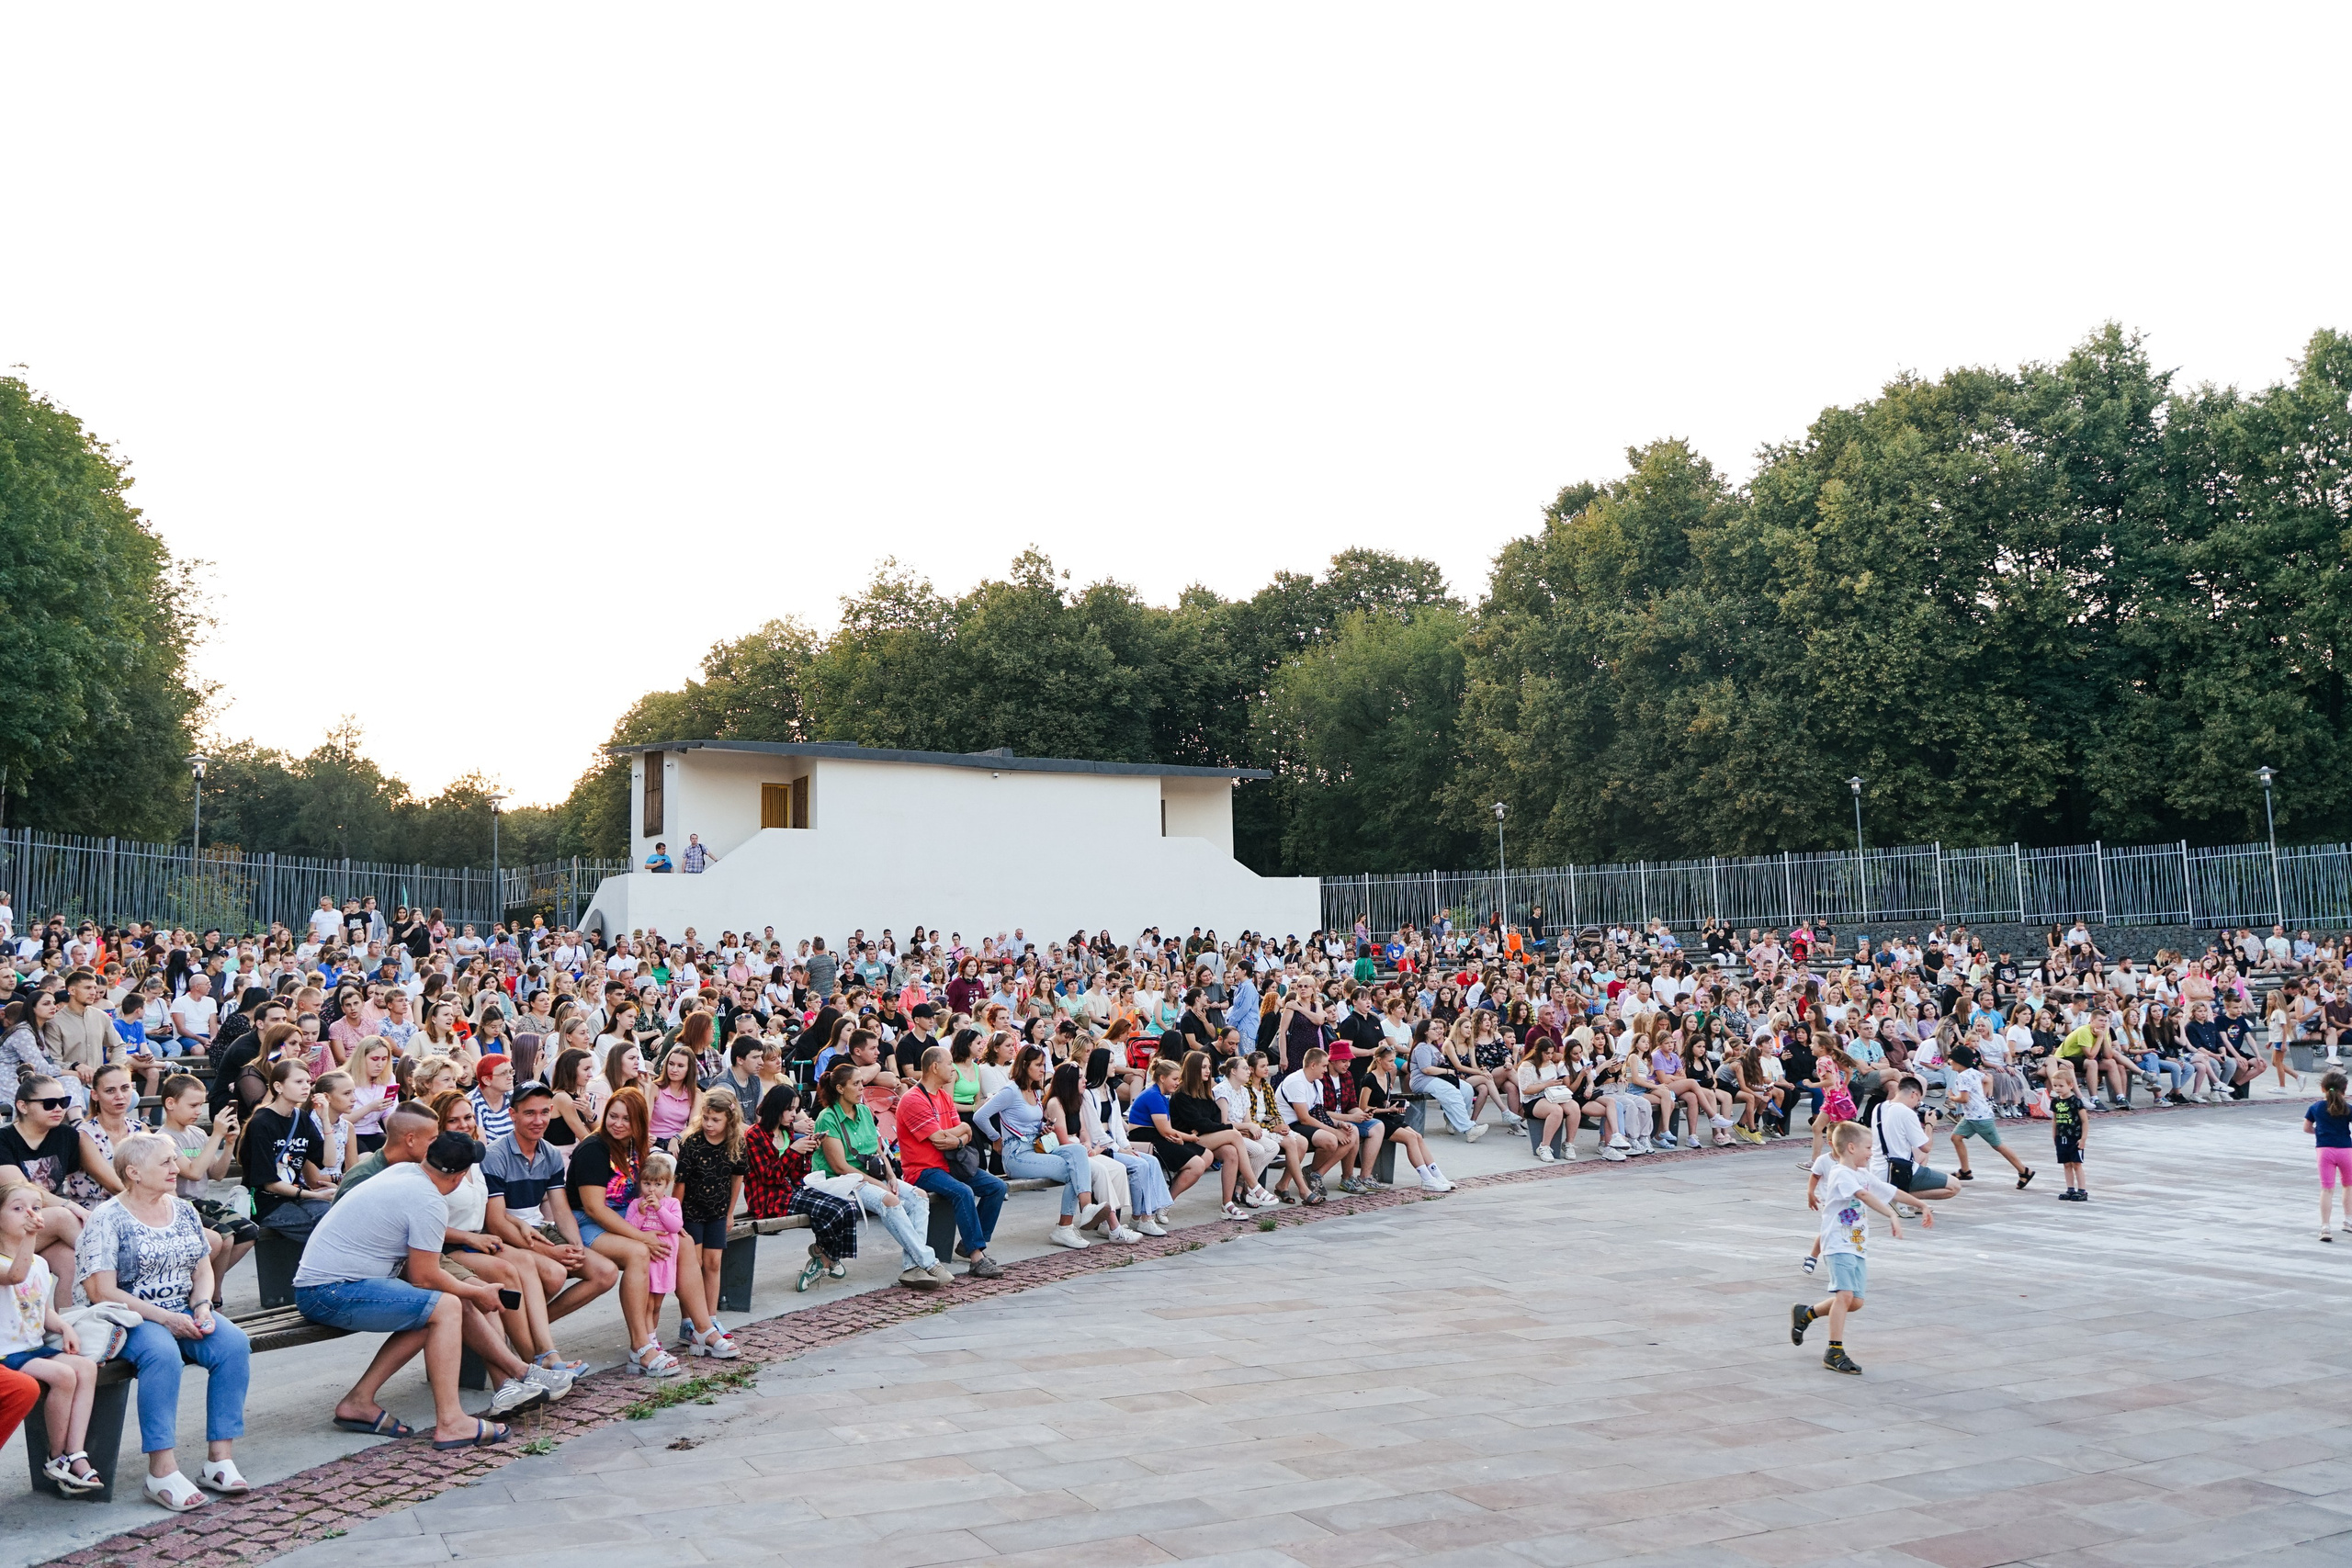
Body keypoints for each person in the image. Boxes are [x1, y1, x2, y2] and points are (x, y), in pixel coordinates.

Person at [296, 1130, 559, 1447]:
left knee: (442, 1306)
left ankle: (359, 1401)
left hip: (327, 1287)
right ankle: (452, 1422)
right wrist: (478, 1292)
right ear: (459, 1177)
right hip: (331, 1292)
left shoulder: (406, 1172)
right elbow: (425, 1277)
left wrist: (469, 1292)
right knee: (446, 1306)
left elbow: (424, 1277)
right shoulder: (428, 1200)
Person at [74, 1132, 255, 1509]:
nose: (177, 1168)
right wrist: (166, 1319)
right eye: (166, 1162)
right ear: (134, 1172)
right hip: (127, 1316)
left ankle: (219, 1460)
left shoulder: (183, 1210)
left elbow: (202, 1269)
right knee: (162, 1354)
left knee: (233, 1344)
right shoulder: (108, 1218)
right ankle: (161, 1470)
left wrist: (202, 1306)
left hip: (182, 1309)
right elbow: (101, 1291)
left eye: (174, 1160)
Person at [479, 1084, 618, 1362]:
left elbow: (561, 1209)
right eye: (529, 1113)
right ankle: (533, 1345)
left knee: (606, 1272)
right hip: (506, 1234)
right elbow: (496, 1222)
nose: (539, 1120)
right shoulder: (495, 1155)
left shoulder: (551, 1153)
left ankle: (526, 1329)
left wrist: (576, 1246)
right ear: (512, 1114)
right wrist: (551, 1252)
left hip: (539, 1228)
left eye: (544, 1112)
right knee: (554, 1273)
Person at [0, 1176, 105, 1495]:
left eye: (36, 1207)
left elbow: (41, 1308)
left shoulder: (39, 1263)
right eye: (18, 1209)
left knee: (85, 1367)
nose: (30, 1214)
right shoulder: (8, 1261)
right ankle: (56, 1457)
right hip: (6, 1351)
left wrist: (64, 1327)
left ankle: (75, 1452)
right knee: (63, 1376)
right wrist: (32, 1237)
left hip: (32, 1346)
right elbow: (14, 1276)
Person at [809, 1066, 946, 1290]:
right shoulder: (827, 1117)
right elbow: (840, 1167)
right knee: (890, 1200)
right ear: (840, 1089)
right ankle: (929, 1262)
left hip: (870, 1174)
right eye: (856, 1084)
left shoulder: (864, 1111)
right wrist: (880, 1186)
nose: (862, 1088)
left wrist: (890, 1175)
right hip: (843, 1181)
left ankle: (912, 1267)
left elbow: (878, 1149)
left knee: (919, 1197)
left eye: (862, 1083)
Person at [1788, 1119, 1906, 1376]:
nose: (1871, 1152)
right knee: (1844, 1297)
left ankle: (1806, 1314)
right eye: (1869, 1147)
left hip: (1856, 1246)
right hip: (1837, 1243)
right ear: (1851, 1147)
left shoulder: (1861, 1174)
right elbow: (1864, 1196)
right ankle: (1834, 1352)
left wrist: (1922, 1205)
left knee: (1856, 1302)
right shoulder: (1841, 1173)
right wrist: (1891, 1215)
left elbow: (1889, 1190)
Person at [974, 1044, 1102, 1247]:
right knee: (1074, 1170)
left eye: (1043, 1065)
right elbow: (979, 1116)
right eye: (1038, 1065)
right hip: (1017, 1155)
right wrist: (995, 1138)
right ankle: (1067, 1225)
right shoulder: (1010, 1091)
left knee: (1077, 1150)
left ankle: (1084, 1211)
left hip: (1035, 1149)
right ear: (1025, 1065)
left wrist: (1043, 1127)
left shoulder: (1033, 1090)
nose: (1043, 1069)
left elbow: (1029, 1123)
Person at [898, 1043, 1006, 1277]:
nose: (953, 1069)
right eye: (949, 1064)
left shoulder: (944, 1097)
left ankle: (969, 1244)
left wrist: (959, 1136)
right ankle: (977, 1257)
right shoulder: (913, 1099)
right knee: (963, 1192)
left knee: (997, 1187)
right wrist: (961, 1132)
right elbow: (938, 1139)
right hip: (923, 1170)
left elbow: (966, 1133)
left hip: (951, 1164)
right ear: (935, 1067)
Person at [668, 1087, 749, 1351]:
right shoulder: (692, 1143)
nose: (709, 1124)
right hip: (691, 1212)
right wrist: (676, 1218)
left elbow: (737, 1178)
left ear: (729, 1119)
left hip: (717, 1212)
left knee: (713, 1263)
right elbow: (680, 1183)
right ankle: (688, 1321)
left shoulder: (736, 1143)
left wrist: (730, 1212)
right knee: (693, 1265)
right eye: (706, 1118)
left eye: (716, 1119)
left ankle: (710, 1319)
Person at [1942, 1044, 2034, 1190]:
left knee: (1998, 1145)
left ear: (1959, 1061)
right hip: (1972, 1116)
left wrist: (1952, 1097)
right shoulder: (1974, 1072)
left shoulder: (1962, 1077)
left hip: (1981, 1119)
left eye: (1951, 1059)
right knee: (1956, 1138)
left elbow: (1964, 1099)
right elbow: (1988, 1080)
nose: (1949, 1062)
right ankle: (1965, 1171)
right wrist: (1983, 1097)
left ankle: (2024, 1171)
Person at [2308, 1069, 2351, 1242]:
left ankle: (2325, 1227)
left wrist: (2320, 1132)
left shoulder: (2316, 1107)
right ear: (2344, 1089)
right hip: (2346, 1150)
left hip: (2324, 1151)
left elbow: (2306, 1128)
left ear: (2322, 1088)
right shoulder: (2348, 1108)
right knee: (2348, 1186)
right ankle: (2348, 1220)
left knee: (2327, 1189)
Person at [2048, 1060, 2090, 1202]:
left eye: (2061, 1085)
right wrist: (2054, 1135)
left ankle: (2082, 1190)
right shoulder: (2055, 1102)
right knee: (2066, 1164)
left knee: (2076, 1163)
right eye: (2055, 1085)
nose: (2058, 1088)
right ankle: (2070, 1188)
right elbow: (2055, 1120)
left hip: (2075, 1137)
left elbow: (2084, 1121)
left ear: (2070, 1085)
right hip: (2062, 1137)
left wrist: (2083, 1138)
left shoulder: (2076, 1102)